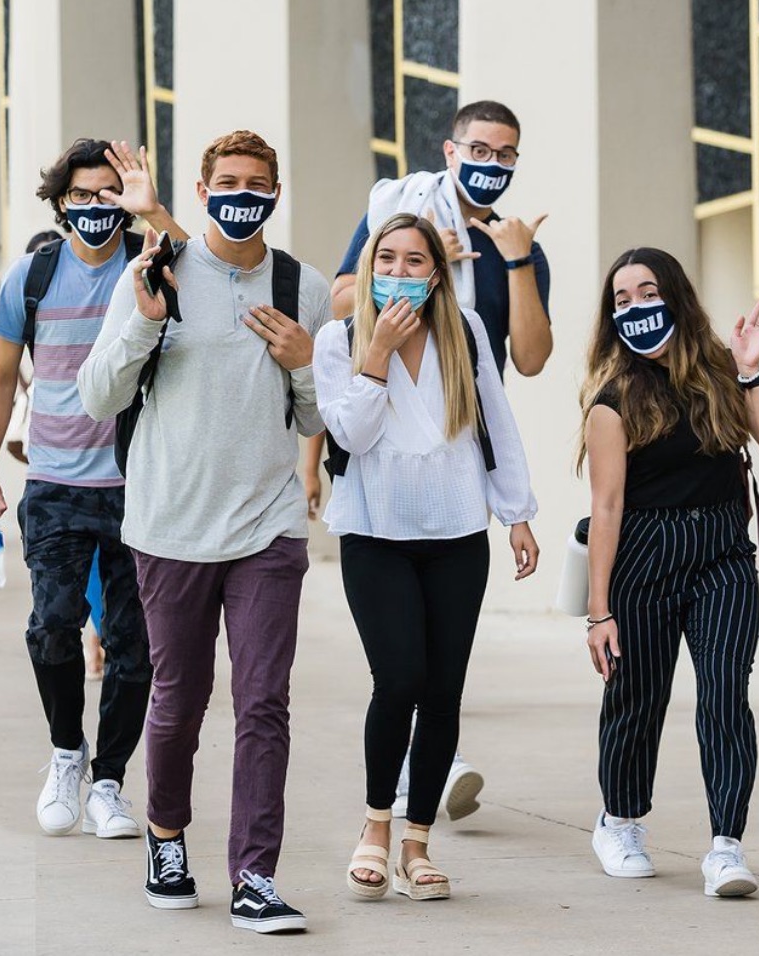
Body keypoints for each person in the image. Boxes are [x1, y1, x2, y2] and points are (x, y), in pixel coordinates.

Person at [79, 130, 330, 934]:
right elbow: (96, 398)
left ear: (277, 192)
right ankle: (165, 837)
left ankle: (255, 874)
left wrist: (302, 361)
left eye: (257, 181)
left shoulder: (302, 285)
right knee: (180, 698)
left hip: (266, 526)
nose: (242, 191)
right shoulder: (154, 269)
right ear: (202, 185)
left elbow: (319, 419)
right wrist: (145, 323)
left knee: (264, 702)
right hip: (169, 523)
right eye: (228, 179)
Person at [309, 99, 554, 821]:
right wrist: (427, 265)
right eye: (478, 148)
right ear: (450, 152)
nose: (490, 163)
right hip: (379, 490)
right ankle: (389, 811)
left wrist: (512, 261)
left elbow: (531, 361)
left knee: (439, 682)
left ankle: (419, 814)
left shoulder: (514, 256)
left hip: (455, 478)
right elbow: (343, 296)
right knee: (402, 673)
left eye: (504, 154)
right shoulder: (403, 222)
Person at [314, 213, 538, 901]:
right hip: (376, 532)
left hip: (456, 532)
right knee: (400, 678)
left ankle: (417, 842)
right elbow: (348, 432)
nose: (401, 273)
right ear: (369, 268)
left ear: (436, 274)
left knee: (444, 692)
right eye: (389, 259)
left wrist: (518, 512)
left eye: (416, 262)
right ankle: (375, 827)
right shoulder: (337, 339)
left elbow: (494, 419)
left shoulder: (463, 329)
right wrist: (376, 351)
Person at [0, 139, 186, 842]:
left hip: (139, 485)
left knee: (134, 645)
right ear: (60, 202)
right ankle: (68, 753)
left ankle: (111, 781)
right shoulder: (31, 277)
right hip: (55, 484)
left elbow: (217, 277)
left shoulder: (150, 262)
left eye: (108, 195)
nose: (96, 209)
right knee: (52, 626)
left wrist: (156, 212)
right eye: (83, 196)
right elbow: (0, 379)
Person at [580, 247, 759, 897]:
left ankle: (726, 846)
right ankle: (619, 821)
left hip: (723, 559)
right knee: (637, 698)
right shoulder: (612, 401)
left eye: (647, 292)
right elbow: (607, 507)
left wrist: (753, 371)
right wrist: (600, 611)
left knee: (726, 695)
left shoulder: (724, 377)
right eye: (621, 300)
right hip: (644, 560)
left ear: (676, 297)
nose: (635, 308)